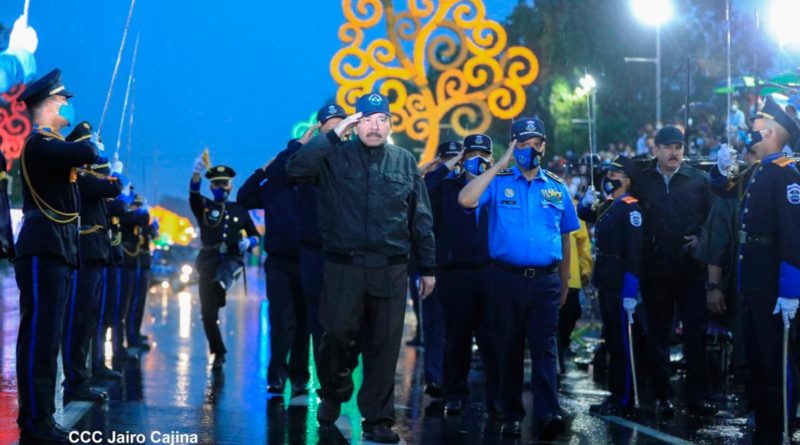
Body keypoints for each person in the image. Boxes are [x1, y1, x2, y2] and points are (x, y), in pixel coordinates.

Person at [286, 92, 436, 444]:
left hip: (391, 269)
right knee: (335, 335)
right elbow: (296, 169)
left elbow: (421, 218)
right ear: (356, 122)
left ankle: (378, 420)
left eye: (381, 119)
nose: (374, 125)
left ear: (390, 124)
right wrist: (335, 134)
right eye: (367, 119)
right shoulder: (335, 155)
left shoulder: (404, 162)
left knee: (384, 346)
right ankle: (335, 391)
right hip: (343, 267)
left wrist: (428, 267)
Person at [458, 118, 579, 439]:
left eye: (535, 143)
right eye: (522, 144)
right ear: (513, 146)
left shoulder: (557, 187)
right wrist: (501, 161)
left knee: (545, 348)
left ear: (544, 146)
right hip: (505, 279)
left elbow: (566, 238)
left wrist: (564, 283)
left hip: (545, 281)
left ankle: (548, 411)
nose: (530, 150)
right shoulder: (498, 181)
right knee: (508, 347)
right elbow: (466, 199)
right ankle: (511, 413)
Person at [14, 68, 100, 443]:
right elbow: (85, 151)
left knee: (49, 338)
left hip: (58, 247)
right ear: (49, 105)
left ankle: (43, 417)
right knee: (38, 337)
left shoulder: (53, 148)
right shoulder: (39, 145)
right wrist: (87, 144)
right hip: (42, 248)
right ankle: (34, 422)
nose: (67, 105)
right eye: (63, 100)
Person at [714, 96, 800, 443]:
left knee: (775, 359)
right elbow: (721, 188)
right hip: (752, 277)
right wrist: (719, 167)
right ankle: (764, 421)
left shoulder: (786, 174)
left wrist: (791, 290)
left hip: (772, 279)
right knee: (755, 357)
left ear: (769, 131)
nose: (749, 133)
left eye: (754, 128)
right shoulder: (758, 170)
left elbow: (794, 236)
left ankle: (778, 425)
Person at [617, 126, 716, 417]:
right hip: (655, 271)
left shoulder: (700, 181)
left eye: (678, 147)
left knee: (696, 336)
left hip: (690, 271)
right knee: (657, 336)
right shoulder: (643, 179)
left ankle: (697, 398)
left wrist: (701, 237)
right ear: (656, 149)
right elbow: (619, 167)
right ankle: (663, 396)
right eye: (668, 147)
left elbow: (715, 219)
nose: (674, 153)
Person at [425, 134, 501, 416]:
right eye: (472, 154)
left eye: (484, 154)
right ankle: (455, 393)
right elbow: (422, 192)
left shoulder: (497, 187)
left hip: (491, 272)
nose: (478, 159)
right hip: (455, 272)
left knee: (492, 339)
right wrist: (448, 164)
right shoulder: (447, 188)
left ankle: (497, 396)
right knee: (456, 338)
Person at [238, 129, 310, 397]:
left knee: (305, 323)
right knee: (283, 321)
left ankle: (300, 376)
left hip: (308, 261)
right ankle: (277, 376)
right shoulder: (272, 188)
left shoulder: (312, 185)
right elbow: (243, 198)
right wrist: (261, 170)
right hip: (279, 263)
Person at [578, 161, 642, 415]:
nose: (609, 178)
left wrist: (630, 291)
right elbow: (586, 215)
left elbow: (634, 253)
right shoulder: (609, 206)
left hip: (620, 281)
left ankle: (625, 397)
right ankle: (615, 395)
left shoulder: (630, 209)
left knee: (622, 343)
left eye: (614, 175)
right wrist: (585, 202)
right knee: (613, 340)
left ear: (626, 180)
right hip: (606, 279)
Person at [61, 139, 122, 402]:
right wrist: (116, 174)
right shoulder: (80, 177)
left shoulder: (87, 176)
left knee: (88, 318)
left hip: (95, 255)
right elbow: (113, 190)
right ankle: (75, 379)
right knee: (78, 318)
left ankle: (82, 375)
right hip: (85, 256)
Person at [190, 161, 259, 368]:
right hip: (208, 260)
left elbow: (254, 235)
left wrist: (249, 242)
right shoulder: (204, 207)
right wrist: (196, 173)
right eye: (217, 184)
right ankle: (218, 351)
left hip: (231, 259)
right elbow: (193, 195)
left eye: (225, 184)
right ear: (211, 187)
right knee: (208, 314)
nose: (221, 188)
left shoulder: (239, 210)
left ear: (230, 186)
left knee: (223, 277)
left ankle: (220, 286)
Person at [553, 160, 592, 375]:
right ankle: (556, 362)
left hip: (572, 277)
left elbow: (583, 242)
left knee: (568, 316)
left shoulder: (574, 206)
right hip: (554, 276)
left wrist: (586, 270)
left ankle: (559, 355)